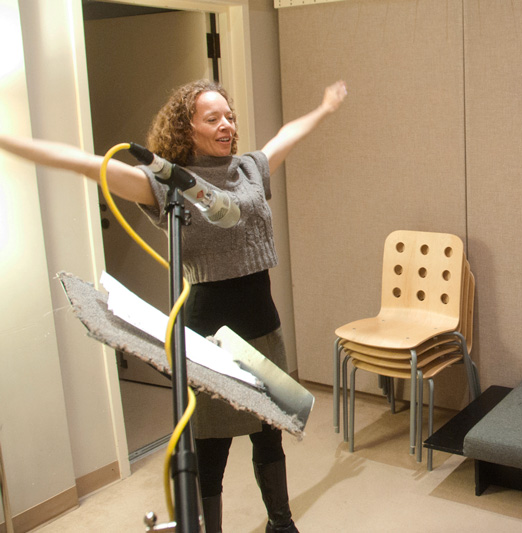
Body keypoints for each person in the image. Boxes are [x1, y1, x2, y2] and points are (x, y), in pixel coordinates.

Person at [0, 78, 348, 533]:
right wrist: (10, 142)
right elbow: (88, 165)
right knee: (210, 447)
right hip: (209, 333)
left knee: (269, 435)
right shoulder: (169, 185)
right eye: (213, 118)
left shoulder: (249, 169)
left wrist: (324, 108)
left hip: (263, 323)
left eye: (229, 117)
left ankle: (281, 525)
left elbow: (286, 135)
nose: (226, 125)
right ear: (187, 129)